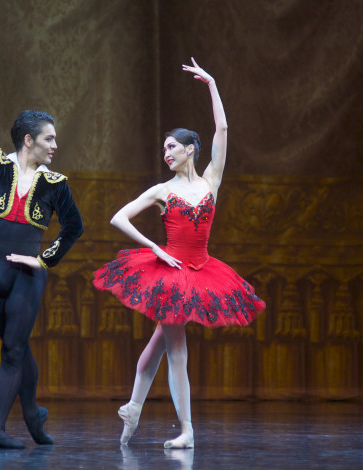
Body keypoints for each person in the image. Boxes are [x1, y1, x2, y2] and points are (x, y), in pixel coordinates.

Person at [92, 58, 265, 449]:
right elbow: (119, 217)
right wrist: (155, 248)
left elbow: (222, 129)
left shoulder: (210, 181)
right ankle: (187, 430)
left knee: (160, 342)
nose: (166, 153)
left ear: (190, 150)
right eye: (164, 148)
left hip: (202, 270)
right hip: (170, 272)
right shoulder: (162, 191)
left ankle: (134, 407)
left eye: (172, 147)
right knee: (177, 349)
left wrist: (212, 84)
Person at [0, 35, 83, 449]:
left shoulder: (56, 184)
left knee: (12, 352)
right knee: (17, 347)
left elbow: (74, 227)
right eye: (49, 139)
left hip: (27, 277)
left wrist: (45, 260)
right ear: (28, 140)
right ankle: (32, 414)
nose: (55, 146)